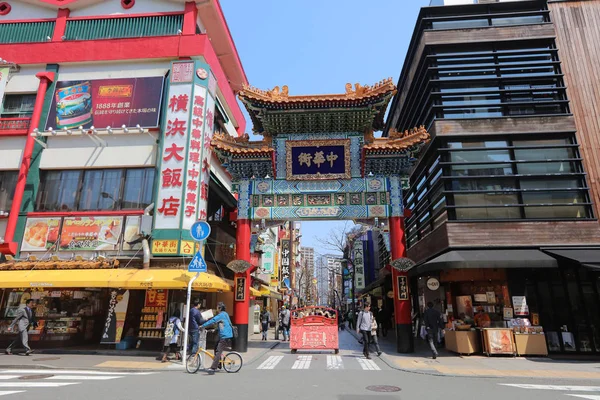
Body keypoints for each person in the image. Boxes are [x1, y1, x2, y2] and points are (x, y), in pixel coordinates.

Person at [200, 302, 233, 375]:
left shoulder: (221, 315)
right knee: (216, 347)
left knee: (218, 351)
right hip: (226, 334)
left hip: (225, 336)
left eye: (217, 307)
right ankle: (218, 364)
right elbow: (223, 324)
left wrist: (203, 326)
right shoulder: (225, 314)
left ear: (220, 308)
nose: (217, 308)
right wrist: (215, 330)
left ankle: (213, 368)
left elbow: (213, 320)